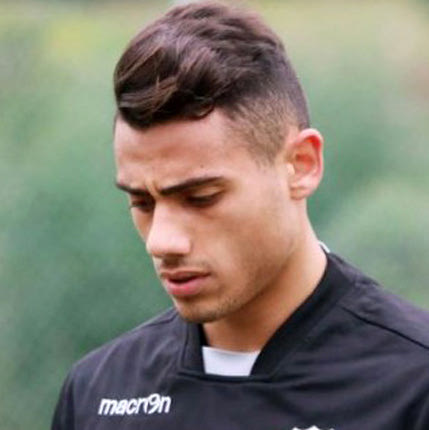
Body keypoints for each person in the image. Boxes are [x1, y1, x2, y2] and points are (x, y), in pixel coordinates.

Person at [51, 2, 429, 429]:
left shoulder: (414, 383)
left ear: (301, 165)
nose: (162, 241)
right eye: (143, 202)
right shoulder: (97, 391)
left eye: (201, 198)